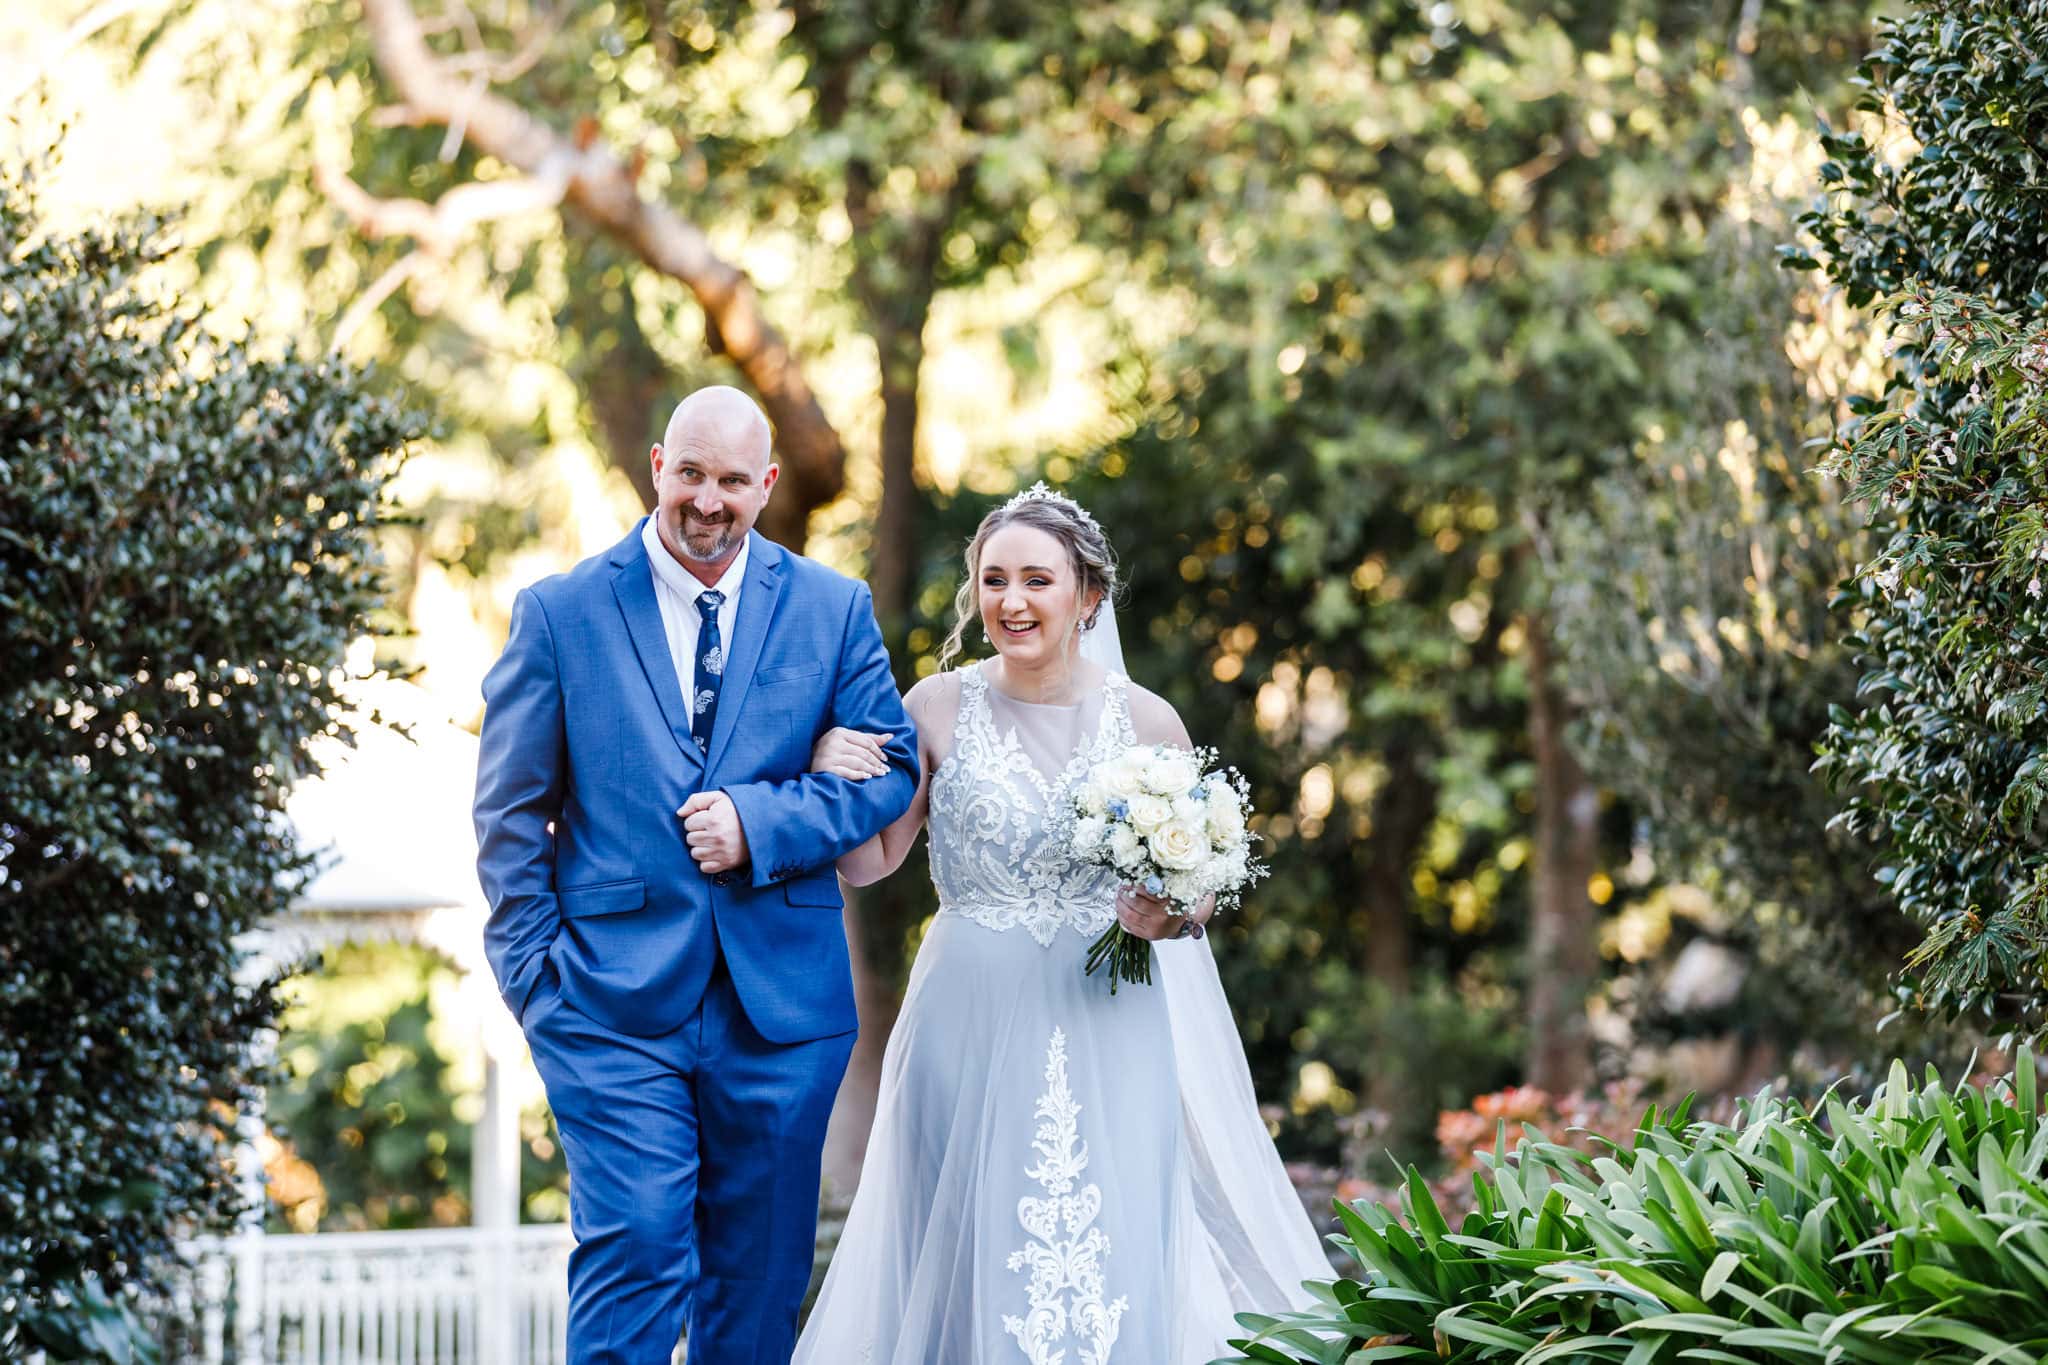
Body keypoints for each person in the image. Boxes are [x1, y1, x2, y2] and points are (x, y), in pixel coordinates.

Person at [792, 484, 1329, 1364]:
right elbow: (868, 862)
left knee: (1115, 1248)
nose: (1011, 601)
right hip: (963, 1018)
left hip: (1108, 1020)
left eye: (1036, 579)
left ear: (1087, 595)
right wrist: (831, 770)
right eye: (993, 578)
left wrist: (1173, 915)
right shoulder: (935, 706)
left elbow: (1201, 880)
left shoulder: (1146, 718)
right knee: (969, 1245)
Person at [472, 386, 919, 1364]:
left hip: (783, 1011)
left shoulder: (829, 608)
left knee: (757, 1282)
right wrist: (534, 983)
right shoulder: (560, 613)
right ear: (656, 469)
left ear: (764, 486)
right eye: (689, 474)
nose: (707, 502)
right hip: (606, 1003)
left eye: (730, 482)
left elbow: (893, 766)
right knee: (634, 1244)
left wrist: (759, 821)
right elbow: (509, 816)